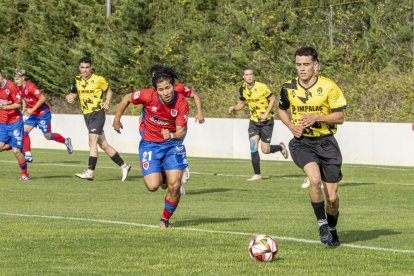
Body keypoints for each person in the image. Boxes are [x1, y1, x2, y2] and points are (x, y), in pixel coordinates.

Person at [277, 46, 347, 246]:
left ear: (315, 66)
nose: (301, 69)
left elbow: (340, 117)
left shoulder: (329, 86)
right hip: (302, 143)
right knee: (314, 181)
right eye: (298, 64)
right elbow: (281, 110)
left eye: (306, 64)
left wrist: (317, 117)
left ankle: (332, 228)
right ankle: (322, 224)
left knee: (332, 198)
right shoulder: (288, 87)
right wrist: (291, 126)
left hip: (326, 143)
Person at [113, 67, 189, 228]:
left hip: (172, 145)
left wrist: (171, 134)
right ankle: (162, 171)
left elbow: (181, 132)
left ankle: (165, 220)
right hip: (150, 145)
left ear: (173, 86)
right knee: (153, 186)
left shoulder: (181, 101)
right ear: (156, 91)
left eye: (168, 88)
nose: (166, 92)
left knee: (174, 185)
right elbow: (127, 98)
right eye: (161, 90)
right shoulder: (147, 95)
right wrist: (117, 118)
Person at [65, 56, 130, 181]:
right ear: (79, 68)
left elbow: (109, 91)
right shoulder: (76, 80)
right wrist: (70, 97)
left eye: (87, 67)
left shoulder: (98, 79)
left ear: (91, 67)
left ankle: (90, 171)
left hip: (97, 113)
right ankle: (124, 165)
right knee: (103, 144)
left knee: (92, 141)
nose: (85, 70)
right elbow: (73, 93)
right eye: (82, 67)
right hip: (87, 115)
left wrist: (107, 102)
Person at [147, 64, 205, 194]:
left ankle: (180, 171)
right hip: (160, 130)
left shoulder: (177, 87)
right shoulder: (154, 91)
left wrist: (199, 111)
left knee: (173, 149)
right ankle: (170, 179)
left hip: (177, 127)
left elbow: (194, 95)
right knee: (162, 184)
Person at [229, 67, 288, 181]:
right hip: (254, 122)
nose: (249, 76)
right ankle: (257, 174)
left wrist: (266, 113)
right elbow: (242, 103)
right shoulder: (243, 89)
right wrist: (235, 108)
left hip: (266, 122)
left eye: (251, 74)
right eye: (246, 74)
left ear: (253, 76)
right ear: (243, 77)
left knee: (265, 150)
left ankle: (280, 147)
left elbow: (273, 98)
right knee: (253, 145)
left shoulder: (261, 87)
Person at [13, 68, 73, 162]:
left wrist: (32, 109)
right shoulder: (19, 88)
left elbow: (42, 99)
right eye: (14, 79)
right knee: (24, 131)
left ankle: (66, 141)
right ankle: (28, 154)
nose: (15, 81)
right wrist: (24, 108)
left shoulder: (31, 87)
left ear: (23, 78)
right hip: (33, 114)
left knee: (48, 136)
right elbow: (24, 98)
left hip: (43, 114)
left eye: (17, 79)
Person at [0, 69, 29, 180]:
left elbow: (18, 104)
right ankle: (12, 144)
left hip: (15, 122)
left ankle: (25, 174)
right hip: (2, 123)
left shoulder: (11, 87)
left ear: (1, 75)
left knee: (16, 151)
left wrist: (4, 107)